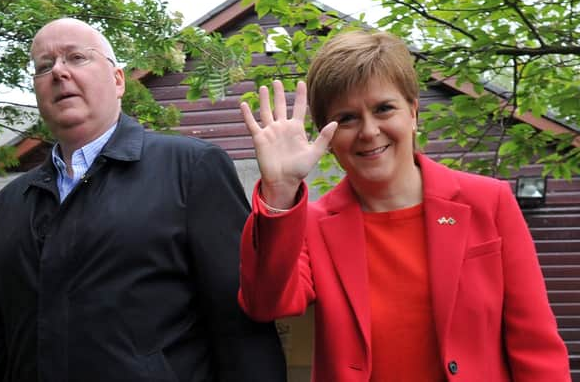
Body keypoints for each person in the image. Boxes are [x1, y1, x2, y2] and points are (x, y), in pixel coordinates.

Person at [0, 18, 286, 382]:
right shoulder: (13, 201)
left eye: (76, 57)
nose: (58, 71)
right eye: (44, 66)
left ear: (118, 80)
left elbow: (239, 323)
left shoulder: (190, 169)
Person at [237, 30, 571, 381]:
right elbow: (265, 303)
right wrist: (280, 190)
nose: (369, 131)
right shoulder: (310, 225)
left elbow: (536, 347)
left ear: (413, 112)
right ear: (327, 136)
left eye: (384, 109)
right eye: (347, 118)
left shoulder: (489, 202)